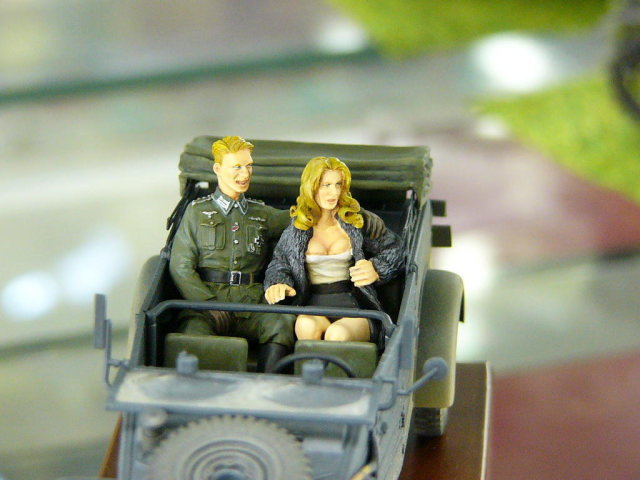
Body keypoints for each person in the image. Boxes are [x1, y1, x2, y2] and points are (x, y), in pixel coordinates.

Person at [170, 137, 386, 371]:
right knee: (193, 335)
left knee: (281, 322)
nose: (245, 174)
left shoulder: (261, 214)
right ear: (217, 169)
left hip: (251, 302)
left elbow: (309, 213)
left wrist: (354, 211)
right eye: (237, 167)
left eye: (249, 166)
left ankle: (270, 381)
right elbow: (180, 267)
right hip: (206, 300)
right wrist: (206, 303)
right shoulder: (196, 213)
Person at [264, 156, 404, 342]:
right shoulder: (298, 229)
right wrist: (278, 283)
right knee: (305, 326)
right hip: (313, 305)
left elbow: (395, 249)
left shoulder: (356, 222)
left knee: (338, 334)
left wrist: (377, 269)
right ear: (312, 187)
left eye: (338, 185)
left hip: (354, 306)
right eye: (326, 185)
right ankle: (307, 362)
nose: (334, 192)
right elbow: (280, 263)